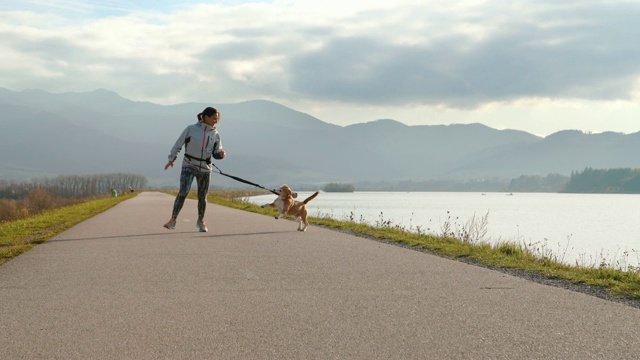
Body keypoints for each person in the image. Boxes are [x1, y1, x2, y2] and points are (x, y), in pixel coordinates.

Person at [163, 107, 226, 232]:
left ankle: (201, 221)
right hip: (189, 165)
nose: (216, 121)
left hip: (205, 168)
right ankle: (173, 220)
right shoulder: (191, 129)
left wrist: (220, 154)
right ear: (206, 117)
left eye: (217, 119)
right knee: (183, 192)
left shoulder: (215, 134)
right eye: (214, 118)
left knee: (202, 196)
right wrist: (172, 159)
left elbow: (216, 152)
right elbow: (178, 144)